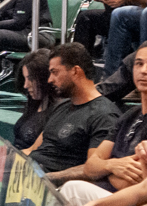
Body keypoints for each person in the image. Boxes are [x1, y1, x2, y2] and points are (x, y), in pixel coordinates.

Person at [56, 41, 147, 204]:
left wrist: (103, 169)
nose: (144, 71)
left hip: (130, 201)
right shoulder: (131, 114)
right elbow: (90, 166)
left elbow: (137, 181)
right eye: (139, 64)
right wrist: (112, 166)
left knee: (71, 190)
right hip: (103, 192)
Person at [23, 43, 121, 176]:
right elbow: (32, 149)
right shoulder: (62, 106)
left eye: (54, 72)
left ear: (75, 71)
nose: (50, 80)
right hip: (27, 173)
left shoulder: (104, 115)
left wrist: (47, 179)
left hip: (53, 186)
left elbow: (93, 169)